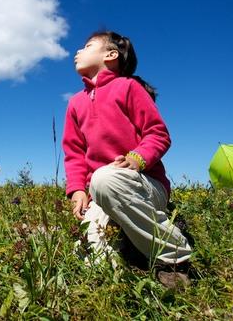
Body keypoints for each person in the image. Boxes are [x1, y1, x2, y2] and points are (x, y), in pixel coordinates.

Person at [62, 30, 192, 287]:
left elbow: (158, 134)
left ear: (111, 55)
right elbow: (74, 152)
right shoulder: (75, 103)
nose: (78, 51)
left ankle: (174, 257)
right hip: (101, 192)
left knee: (103, 178)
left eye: (87, 46)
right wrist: (77, 189)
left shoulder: (128, 87)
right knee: (91, 257)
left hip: (144, 184)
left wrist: (137, 158)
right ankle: (133, 249)